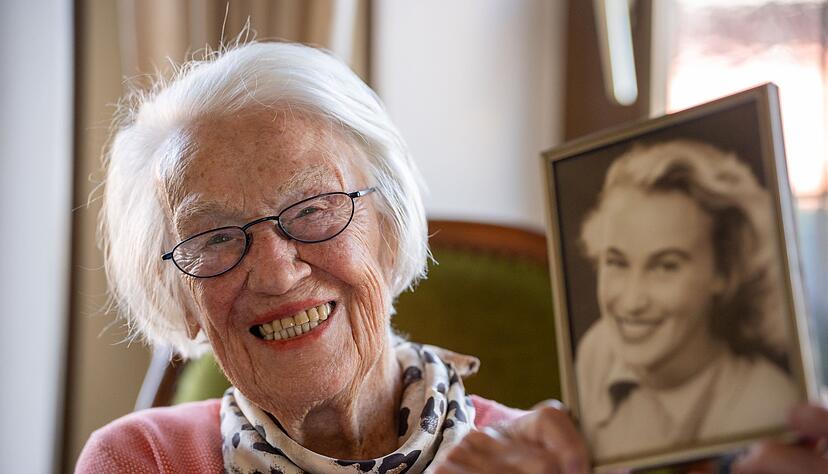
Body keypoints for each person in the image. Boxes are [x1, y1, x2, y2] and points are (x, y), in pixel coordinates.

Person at [74, 41, 590, 474]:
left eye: (313, 208)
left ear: (388, 231)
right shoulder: (143, 460)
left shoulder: (543, 459)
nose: (276, 275)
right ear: (182, 297)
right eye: (215, 238)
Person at [575, 140, 801, 461]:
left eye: (666, 266)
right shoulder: (597, 351)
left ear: (723, 269)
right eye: (617, 262)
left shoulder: (769, 404)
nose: (632, 301)